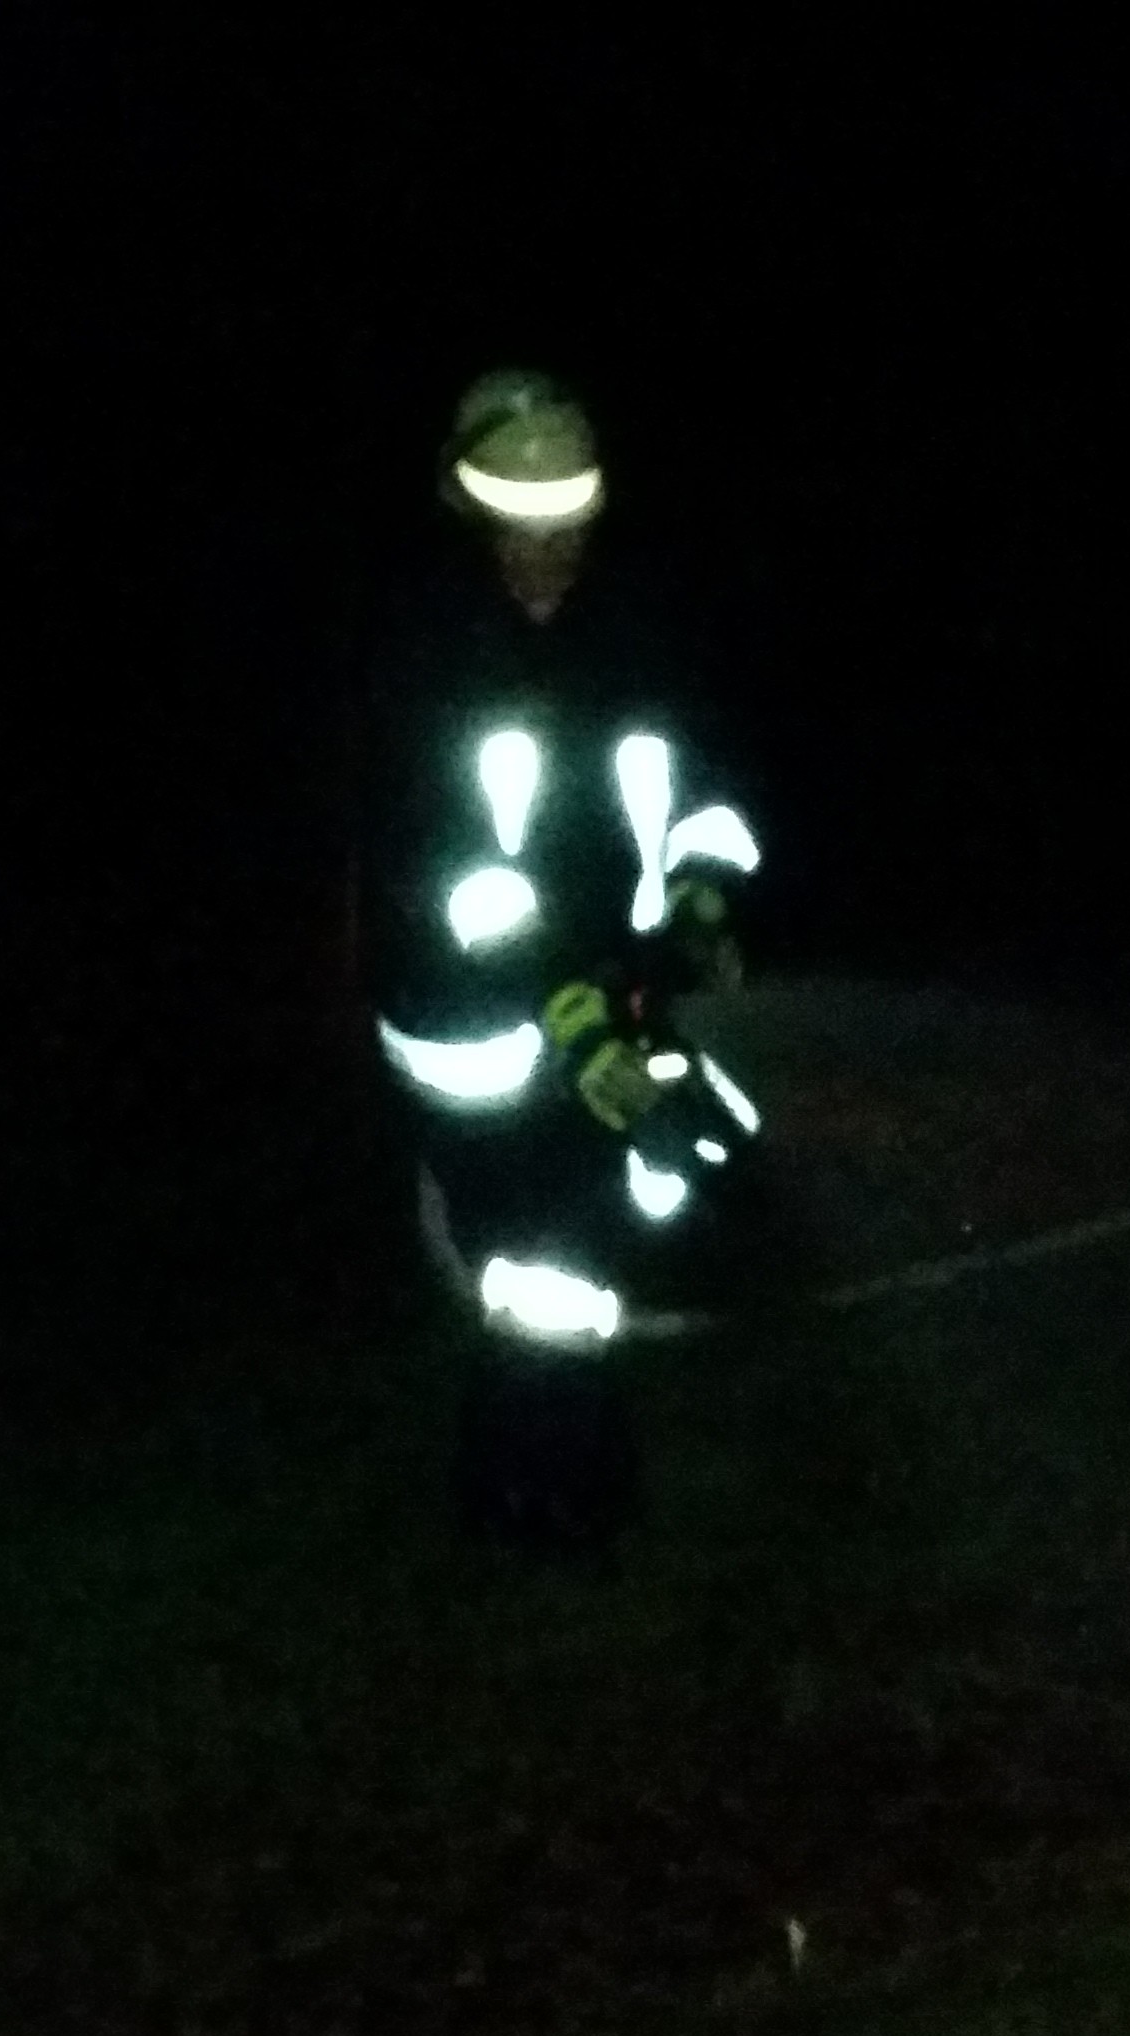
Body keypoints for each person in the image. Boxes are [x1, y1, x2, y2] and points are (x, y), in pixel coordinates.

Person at [362, 369, 775, 1547]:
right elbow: (452, 876)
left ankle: (559, 1480)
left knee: (598, 1238)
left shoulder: (629, 634)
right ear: (471, 512)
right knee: (540, 1266)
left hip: (599, 997)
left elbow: (700, 785)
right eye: (522, 530)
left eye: (569, 528)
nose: (548, 555)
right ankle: (535, 1503)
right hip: (475, 1032)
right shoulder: (423, 658)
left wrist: (700, 892)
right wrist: (577, 1023)